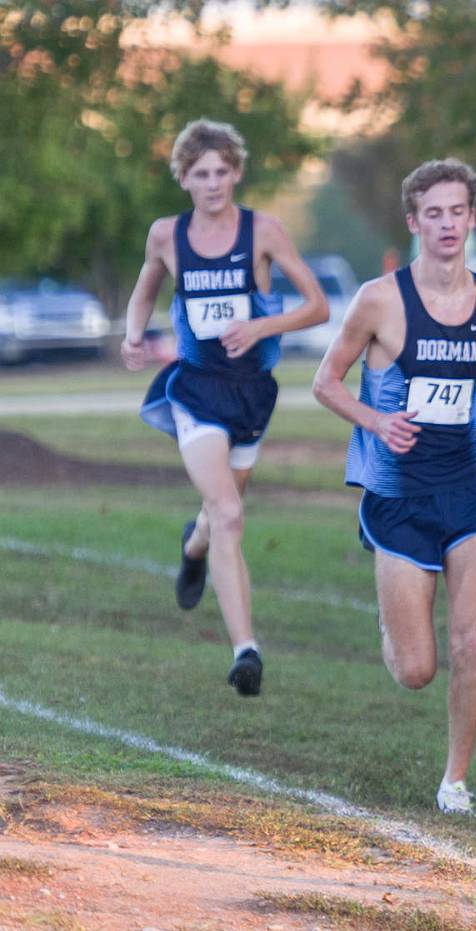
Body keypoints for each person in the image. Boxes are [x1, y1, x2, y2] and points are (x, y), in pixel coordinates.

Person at [311, 159, 476, 815]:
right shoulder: (379, 300)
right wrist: (375, 421)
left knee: (472, 641)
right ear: (415, 222)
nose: (447, 224)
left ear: (472, 218)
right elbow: (326, 383)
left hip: (469, 490)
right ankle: (394, 623)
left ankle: (455, 781)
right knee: (417, 669)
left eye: (458, 211)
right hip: (396, 498)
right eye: (434, 214)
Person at [122, 119, 329, 697]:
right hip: (196, 390)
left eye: (222, 172)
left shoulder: (264, 231)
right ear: (184, 178)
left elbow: (317, 306)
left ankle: (194, 547)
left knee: (219, 515)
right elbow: (145, 285)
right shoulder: (167, 234)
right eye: (200, 173)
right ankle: (247, 651)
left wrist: (261, 324)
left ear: (236, 172)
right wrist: (134, 334)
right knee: (231, 514)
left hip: (252, 393)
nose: (213, 183)